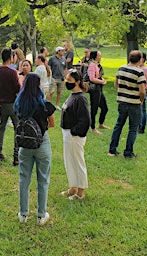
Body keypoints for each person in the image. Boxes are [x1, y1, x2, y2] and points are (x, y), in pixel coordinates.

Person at [14, 73, 56, 225]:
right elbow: (52, 124)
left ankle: (23, 213)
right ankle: (41, 215)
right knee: (43, 180)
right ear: (38, 86)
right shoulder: (44, 104)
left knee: (24, 179)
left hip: (25, 145)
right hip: (42, 142)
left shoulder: (19, 104)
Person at [108, 50, 146, 158]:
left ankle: (112, 149)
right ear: (140, 59)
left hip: (122, 101)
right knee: (133, 128)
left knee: (119, 125)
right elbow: (142, 91)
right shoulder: (139, 72)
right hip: (134, 103)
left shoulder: (121, 68)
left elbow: (116, 84)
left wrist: (122, 93)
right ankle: (128, 152)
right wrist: (141, 100)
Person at [60, 69, 90, 200]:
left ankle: (81, 192)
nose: (67, 82)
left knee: (78, 162)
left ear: (77, 82)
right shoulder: (72, 95)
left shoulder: (81, 99)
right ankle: (73, 186)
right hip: (67, 134)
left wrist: (74, 132)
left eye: (70, 80)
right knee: (69, 161)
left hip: (74, 136)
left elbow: (85, 120)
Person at [0, 48, 21, 165]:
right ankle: (16, 156)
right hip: (12, 103)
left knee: (2, 128)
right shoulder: (12, 72)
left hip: (2, 103)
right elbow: (17, 89)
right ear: (11, 57)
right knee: (17, 128)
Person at [86, 50, 109, 135]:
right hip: (94, 90)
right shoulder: (92, 65)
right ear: (95, 56)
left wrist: (103, 80)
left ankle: (101, 124)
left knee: (105, 108)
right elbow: (92, 79)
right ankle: (93, 127)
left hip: (99, 89)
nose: (100, 57)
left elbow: (98, 77)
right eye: (99, 55)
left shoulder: (96, 65)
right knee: (94, 109)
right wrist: (102, 82)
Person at [138, 51, 147, 134]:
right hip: (143, 89)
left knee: (142, 109)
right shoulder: (142, 68)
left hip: (142, 90)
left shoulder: (143, 69)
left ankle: (141, 127)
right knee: (141, 109)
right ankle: (139, 126)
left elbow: (146, 80)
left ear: (143, 59)